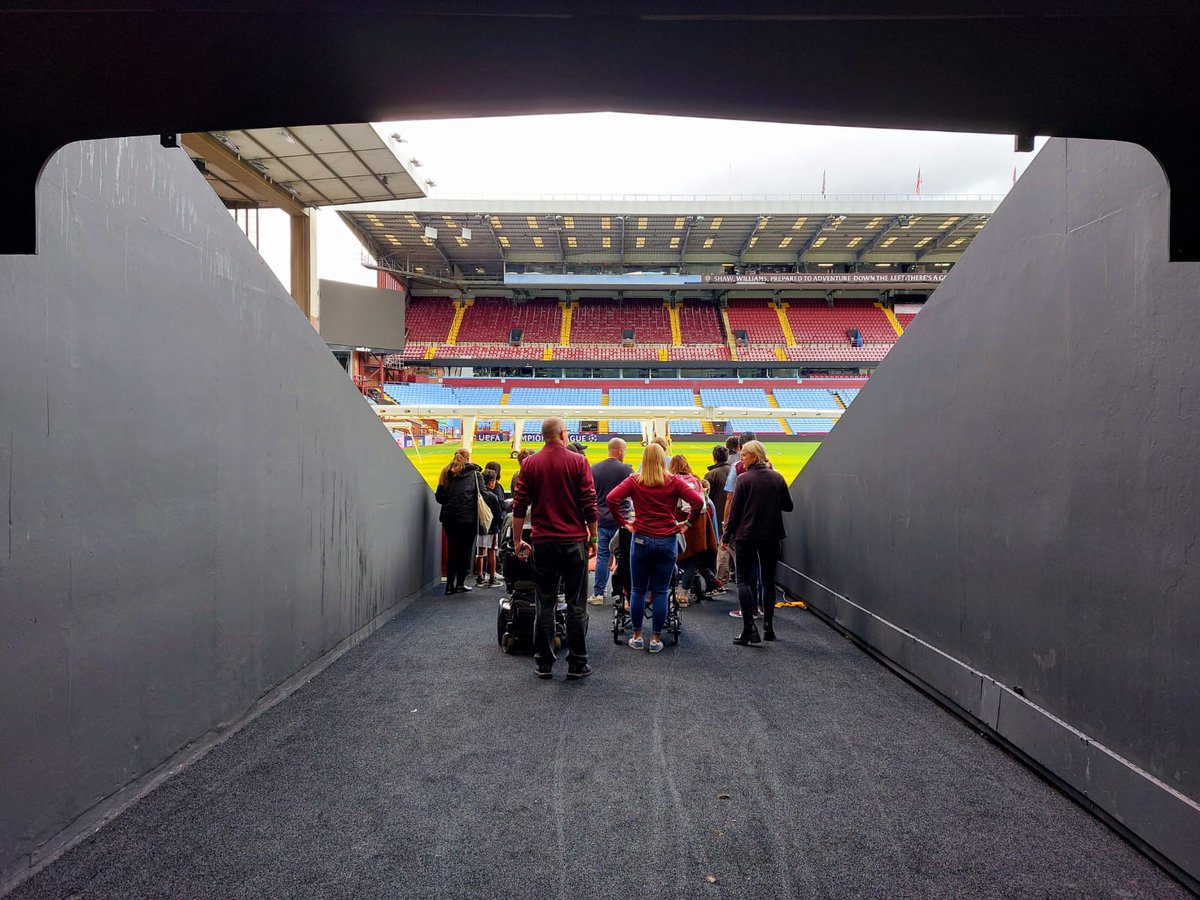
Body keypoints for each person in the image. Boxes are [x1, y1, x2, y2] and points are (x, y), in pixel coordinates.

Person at [512, 417, 599, 680]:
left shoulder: (529, 463)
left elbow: (519, 505)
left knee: (545, 604)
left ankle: (544, 664)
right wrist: (593, 538)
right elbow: (589, 503)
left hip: (543, 543)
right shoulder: (578, 461)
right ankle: (577, 663)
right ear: (563, 434)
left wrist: (517, 540)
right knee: (576, 605)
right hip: (573, 542)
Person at [606, 443, 704, 654]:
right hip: (666, 540)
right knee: (661, 591)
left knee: (638, 591)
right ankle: (656, 638)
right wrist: (687, 524)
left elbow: (611, 498)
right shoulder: (674, 481)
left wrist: (623, 522)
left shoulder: (635, 481)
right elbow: (698, 502)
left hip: (640, 539)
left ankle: (637, 636)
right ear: (662, 460)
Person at [722, 440, 793, 645]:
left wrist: (726, 536)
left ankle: (748, 629)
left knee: (743, 580)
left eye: (744, 455)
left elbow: (734, 514)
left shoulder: (744, 480)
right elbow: (788, 506)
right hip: (772, 535)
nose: (741, 458)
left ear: (754, 456)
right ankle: (768, 627)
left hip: (747, 535)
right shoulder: (777, 477)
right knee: (768, 581)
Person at [588, 438, 633, 605]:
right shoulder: (626, 469)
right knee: (623, 558)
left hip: (601, 520)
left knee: (602, 557)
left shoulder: (594, 469)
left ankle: (598, 594)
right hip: (621, 521)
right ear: (620, 451)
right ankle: (622, 593)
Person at [668, 454, 717, 606]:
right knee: (691, 561)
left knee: (674, 559)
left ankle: (674, 594)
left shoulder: (673, 481)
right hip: (696, 527)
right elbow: (701, 505)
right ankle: (684, 594)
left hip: (680, 524)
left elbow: (681, 505)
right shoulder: (696, 480)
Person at [435, 447, 484, 596]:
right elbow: (482, 494)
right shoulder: (475, 474)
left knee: (453, 550)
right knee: (465, 551)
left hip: (450, 518)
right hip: (468, 519)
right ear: (468, 457)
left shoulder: (445, 472)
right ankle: (461, 583)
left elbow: (439, 497)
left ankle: (449, 585)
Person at [474, 469, 504, 586]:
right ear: (491, 482)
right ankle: (492, 577)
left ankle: (480, 577)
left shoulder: (478, 495)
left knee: (480, 553)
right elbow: (498, 514)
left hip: (481, 528)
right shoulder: (492, 496)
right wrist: (500, 526)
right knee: (492, 552)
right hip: (492, 528)